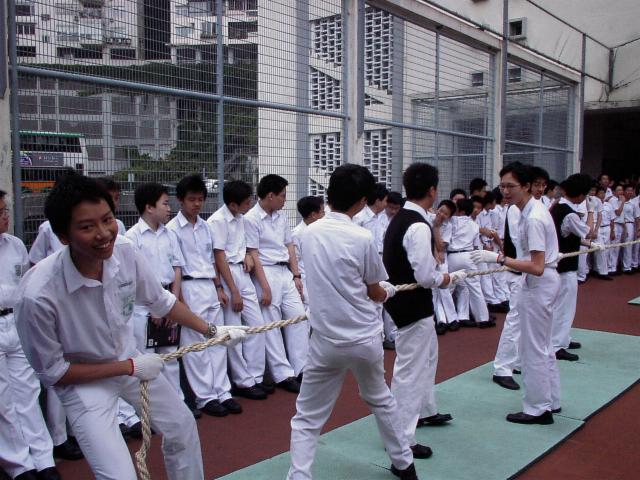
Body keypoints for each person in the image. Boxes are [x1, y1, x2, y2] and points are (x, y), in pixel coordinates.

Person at [15, 172, 248, 479]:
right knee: (119, 475)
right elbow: (54, 372)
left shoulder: (124, 251)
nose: (103, 233)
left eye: (107, 219)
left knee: (182, 426)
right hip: (85, 384)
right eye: (87, 227)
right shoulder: (37, 295)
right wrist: (129, 366)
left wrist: (213, 331)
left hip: (130, 363)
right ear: (62, 236)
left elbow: (161, 301)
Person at [287, 164, 418, 480]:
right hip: (363, 339)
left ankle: (299, 476)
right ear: (361, 201)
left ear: (329, 194)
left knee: (307, 418)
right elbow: (374, 291)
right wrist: (387, 290)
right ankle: (405, 465)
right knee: (381, 401)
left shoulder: (308, 233)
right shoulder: (362, 237)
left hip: (325, 341)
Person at [471, 161, 561, 425]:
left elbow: (537, 266)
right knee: (543, 345)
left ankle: (538, 408)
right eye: (502, 186)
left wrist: (498, 258)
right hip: (538, 281)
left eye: (511, 186)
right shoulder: (523, 212)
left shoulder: (533, 217)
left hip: (539, 282)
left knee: (533, 348)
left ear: (526, 186)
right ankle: (551, 400)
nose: (506, 191)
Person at [384, 162, 462, 458]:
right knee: (410, 371)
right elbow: (426, 276)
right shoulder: (416, 225)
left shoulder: (404, 218)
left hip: (411, 304)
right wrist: (448, 278)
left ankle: (426, 410)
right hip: (411, 306)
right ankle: (401, 438)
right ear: (432, 190)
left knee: (427, 359)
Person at [167, 174, 243, 417]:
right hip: (189, 286)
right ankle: (205, 397)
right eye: (192, 199)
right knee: (195, 345)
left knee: (217, 340)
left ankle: (223, 392)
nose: (197, 204)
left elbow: (212, 260)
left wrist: (219, 287)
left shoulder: (205, 226)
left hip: (209, 286)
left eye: (200, 199)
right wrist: (180, 300)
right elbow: (175, 268)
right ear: (180, 200)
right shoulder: (172, 230)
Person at [0, 190, 61, 480]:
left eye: (5, 210)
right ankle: (19, 464)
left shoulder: (14, 245)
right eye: (0, 212)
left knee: (28, 391)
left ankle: (43, 458)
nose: (5, 217)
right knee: (3, 399)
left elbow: (24, 282)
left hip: (14, 322)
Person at [124, 183, 191, 414]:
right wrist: (154, 307)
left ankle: (177, 407)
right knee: (148, 361)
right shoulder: (132, 237)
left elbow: (177, 268)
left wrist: (172, 302)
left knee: (170, 358)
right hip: (144, 307)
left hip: (167, 300)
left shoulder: (170, 234)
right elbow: (133, 277)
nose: (169, 208)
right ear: (149, 207)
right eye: (165, 203)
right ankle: (150, 413)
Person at [208, 180, 271, 400]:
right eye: (246, 202)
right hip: (228, 274)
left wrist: (246, 256)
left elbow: (243, 246)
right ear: (233, 204)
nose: (250, 204)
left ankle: (255, 376)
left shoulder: (241, 219)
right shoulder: (217, 221)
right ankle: (242, 381)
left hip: (242, 273)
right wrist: (232, 290)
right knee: (233, 330)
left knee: (257, 325)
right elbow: (219, 256)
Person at [245, 175, 307, 391]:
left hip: (284, 271)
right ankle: (283, 374)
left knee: (298, 317)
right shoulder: (251, 219)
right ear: (270, 196)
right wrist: (264, 286)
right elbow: (253, 253)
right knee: (271, 323)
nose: (284, 200)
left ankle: (301, 368)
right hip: (266, 270)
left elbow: (289, 246)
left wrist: (296, 276)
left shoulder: (281, 217)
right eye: (282, 195)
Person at [550, 175, 599, 363]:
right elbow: (590, 232)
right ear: (580, 196)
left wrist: (589, 244)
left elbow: (572, 235)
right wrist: (591, 211)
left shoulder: (556, 207)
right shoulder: (569, 214)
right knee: (564, 307)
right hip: (565, 268)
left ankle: (563, 339)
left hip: (558, 265)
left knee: (561, 306)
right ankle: (557, 345)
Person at [492, 200, 524, 390]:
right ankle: (502, 369)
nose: (540, 189)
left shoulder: (534, 207)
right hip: (519, 271)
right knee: (515, 320)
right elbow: (519, 242)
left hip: (529, 271)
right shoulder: (515, 209)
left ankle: (517, 361)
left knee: (528, 320)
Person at [448, 199, 493, 328]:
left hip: (452, 256)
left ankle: (448, 319)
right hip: (468, 255)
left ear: (460, 210)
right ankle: (483, 319)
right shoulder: (474, 225)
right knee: (475, 288)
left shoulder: (452, 220)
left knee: (448, 288)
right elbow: (476, 244)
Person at [429, 200, 460, 334]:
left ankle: (452, 318)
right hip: (429, 257)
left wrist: (436, 228)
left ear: (449, 217)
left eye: (445, 214)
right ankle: (441, 320)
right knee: (433, 290)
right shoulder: (427, 218)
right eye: (440, 210)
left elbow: (442, 246)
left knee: (444, 287)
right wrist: (436, 251)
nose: (441, 214)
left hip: (442, 259)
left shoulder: (448, 226)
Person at [291, 196, 325, 312]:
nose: (324, 215)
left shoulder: (319, 231)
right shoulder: (297, 234)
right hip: (305, 280)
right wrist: (298, 280)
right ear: (313, 215)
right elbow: (295, 260)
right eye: (322, 212)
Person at [593, 185, 615, 280]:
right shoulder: (594, 204)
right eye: (600, 193)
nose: (602, 195)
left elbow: (612, 219)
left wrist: (612, 231)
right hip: (597, 228)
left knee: (606, 250)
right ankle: (603, 272)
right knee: (600, 249)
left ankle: (598, 269)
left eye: (603, 193)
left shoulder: (608, 205)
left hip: (607, 227)